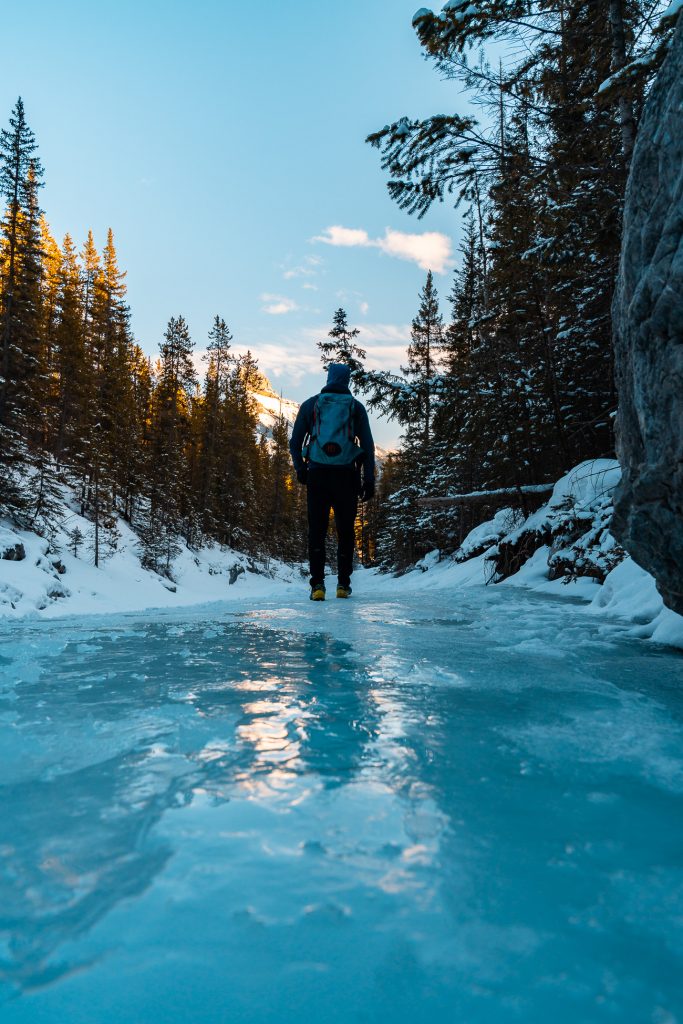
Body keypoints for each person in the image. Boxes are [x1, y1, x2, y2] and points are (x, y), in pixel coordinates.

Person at [289, 364, 375, 601]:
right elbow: (367, 446)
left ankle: (317, 586)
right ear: (347, 381)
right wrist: (369, 479)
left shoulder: (311, 405)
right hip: (346, 476)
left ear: (328, 378)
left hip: (317, 475)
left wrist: (300, 468)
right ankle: (343, 585)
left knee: (316, 531)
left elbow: (295, 442)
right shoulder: (355, 407)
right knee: (345, 531)